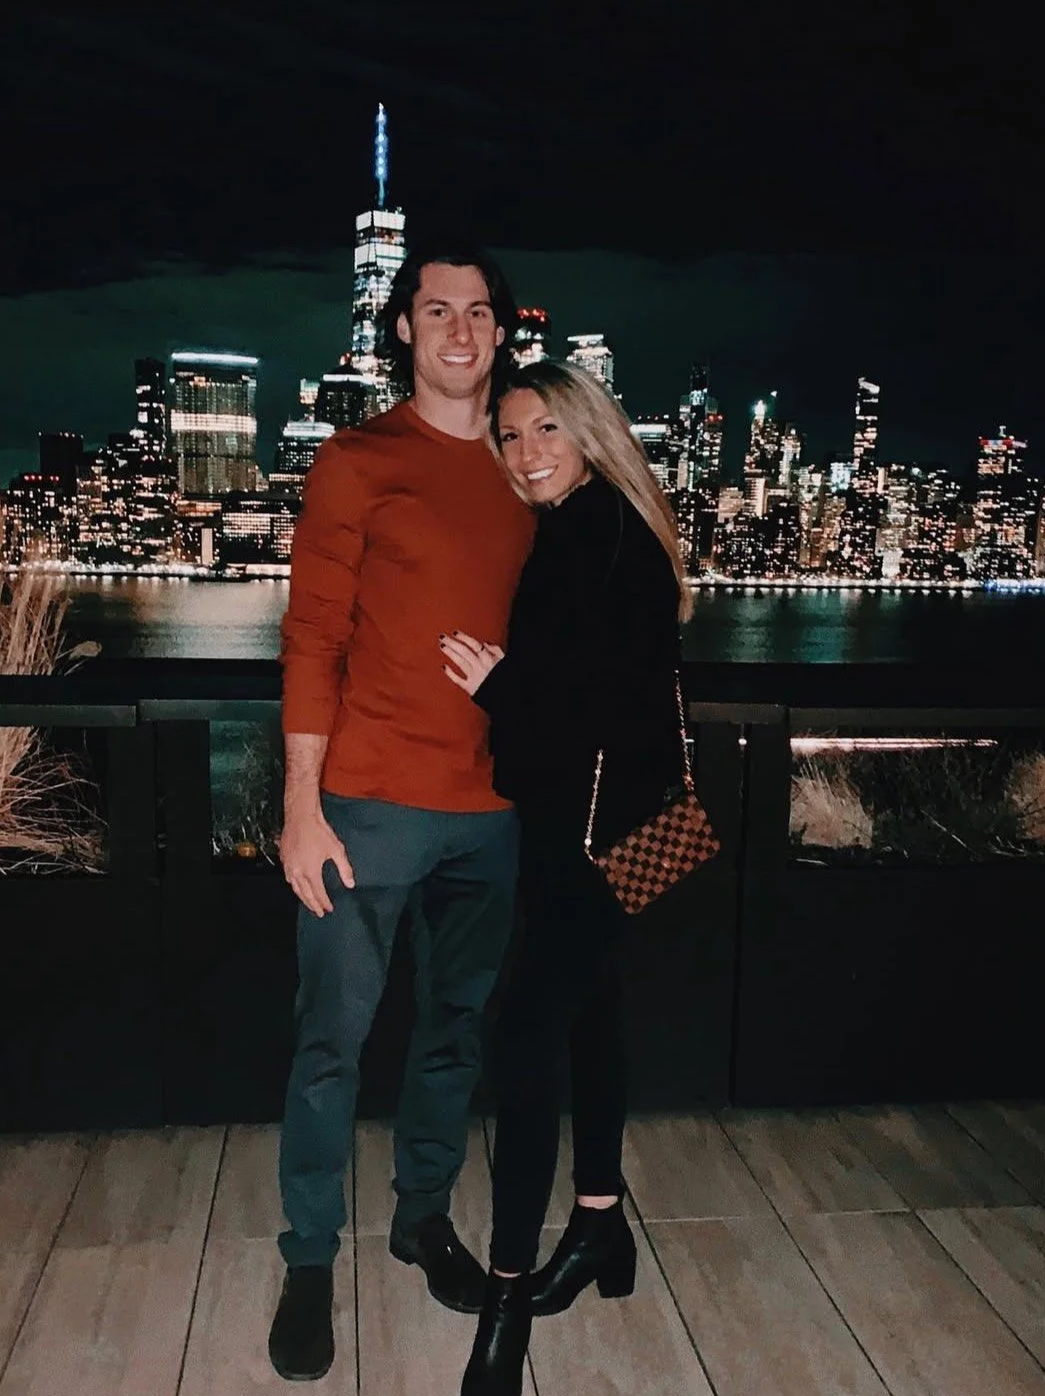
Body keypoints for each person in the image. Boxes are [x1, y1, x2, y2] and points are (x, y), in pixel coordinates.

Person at [268, 238, 535, 1383]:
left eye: (478, 312)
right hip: (366, 808)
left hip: (495, 812)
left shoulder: (533, 467)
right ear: (403, 329)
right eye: (437, 310)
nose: (459, 330)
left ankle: (421, 1220)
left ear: (503, 331)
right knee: (331, 1044)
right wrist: (300, 807)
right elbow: (312, 637)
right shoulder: (358, 458)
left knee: (453, 1036)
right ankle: (309, 1260)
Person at [440, 360, 693, 1395]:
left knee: (525, 1035)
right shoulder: (601, 527)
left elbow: (595, 704)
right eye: (510, 436)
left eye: (546, 428)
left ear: (590, 430)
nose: (526, 451)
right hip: (619, 822)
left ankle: (505, 1295)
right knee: (594, 1012)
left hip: (591, 829)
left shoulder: (595, 537)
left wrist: (499, 686)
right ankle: (599, 1228)